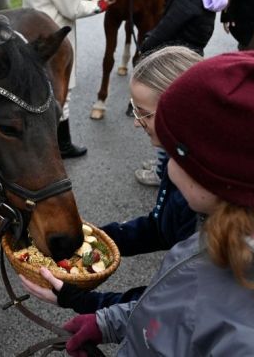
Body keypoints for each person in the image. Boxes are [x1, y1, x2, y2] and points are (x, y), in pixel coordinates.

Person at [62, 51, 254, 356]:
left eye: (176, 152)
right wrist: (108, 323)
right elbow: (178, 313)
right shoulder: (223, 232)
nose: (169, 166)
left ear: (208, 169)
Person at [20, 46, 200, 313]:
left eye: (142, 112)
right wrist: (92, 239)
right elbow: (163, 227)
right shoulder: (182, 161)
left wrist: (85, 302)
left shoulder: (202, 197)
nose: (137, 123)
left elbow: (174, 302)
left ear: (178, 111)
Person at [20, 0, 117, 158]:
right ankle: (61, 146)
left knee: (36, 89)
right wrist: (102, 3)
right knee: (63, 91)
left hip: (32, 34)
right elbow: (72, 8)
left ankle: (35, 141)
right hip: (57, 38)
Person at [136, 0, 227, 188]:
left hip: (173, 62)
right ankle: (162, 164)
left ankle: (162, 172)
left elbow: (165, 30)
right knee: (174, 117)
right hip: (191, 57)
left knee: (167, 120)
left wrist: (144, 46)